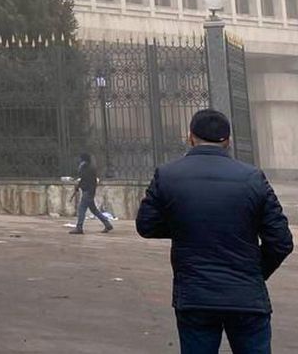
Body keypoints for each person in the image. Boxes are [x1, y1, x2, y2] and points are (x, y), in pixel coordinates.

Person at [137, 109, 293, 354]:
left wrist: (185, 226)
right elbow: (281, 241)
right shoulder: (253, 177)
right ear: (228, 140)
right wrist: (255, 273)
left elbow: (146, 225)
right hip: (247, 297)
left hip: (195, 296)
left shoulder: (167, 175)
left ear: (190, 137)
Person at [70, 151, 113, 234]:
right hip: (90, 191)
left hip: (87, 191)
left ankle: (79, 227)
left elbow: (83, 179)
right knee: (94, 210)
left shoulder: (85, 168)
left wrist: (78, 186)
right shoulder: (90, 167)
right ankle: (107, 224)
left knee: (81, 209)